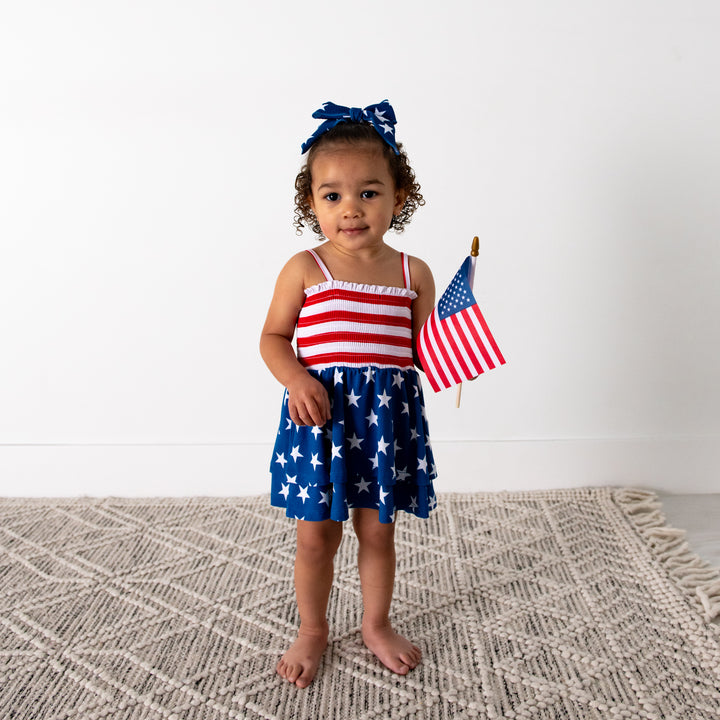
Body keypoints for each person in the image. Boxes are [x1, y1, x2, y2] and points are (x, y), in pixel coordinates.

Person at [259, 100, 438, 689]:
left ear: (398, 196)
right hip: (322, 424)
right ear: (311, 203)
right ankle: (312, 628)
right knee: (316, 537)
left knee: (378, 531)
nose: (351, 208)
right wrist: (296, 378)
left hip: (384, 427)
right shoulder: (306, 268)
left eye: (368, 192)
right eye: (332, 195)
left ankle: (376, 623)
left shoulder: (412, 273)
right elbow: (273, 337)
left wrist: (456, 342)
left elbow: (426, 349)